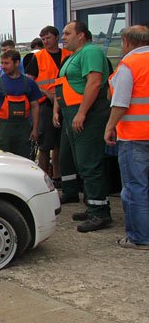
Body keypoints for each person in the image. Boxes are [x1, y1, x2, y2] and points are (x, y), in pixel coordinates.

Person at [53, 20, 113, 232]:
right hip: (72, 114)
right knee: (82, 163)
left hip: (87, 114)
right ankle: (94, 206)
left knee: (90, 162)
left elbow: (94, 82)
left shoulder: (91, 51)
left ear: (81, 35)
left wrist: (81, 112)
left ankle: (100, 214)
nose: (63, 38)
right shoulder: (74, 56)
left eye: (67, 33)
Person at [104, 25, 149, 249]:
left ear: (127, 42)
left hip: (135, 136)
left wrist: (110, 126)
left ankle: (139, 237)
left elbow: (120, 102)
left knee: (135, 187)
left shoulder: (129, 65)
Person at [26, 26, 73, 191]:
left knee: (61, 143)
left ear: (56, 38)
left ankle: (58, 176)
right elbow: (30, 81)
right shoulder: (38, 58)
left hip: (65, 102)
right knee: (45, 143)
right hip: (46, 104)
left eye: (48, 38)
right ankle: (43, 178)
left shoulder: (68, 55)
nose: (45, 41)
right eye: (43, 39)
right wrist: (46, 92)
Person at [0, 50, 41, 158]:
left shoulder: (29, 83)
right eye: (2, 63)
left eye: (7, 63)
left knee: (24, 160)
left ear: (17, 63)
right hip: (2, 130)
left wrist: (35, 129)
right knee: (2, 159)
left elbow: (35, 106)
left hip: (23, 129)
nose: (3, 66)